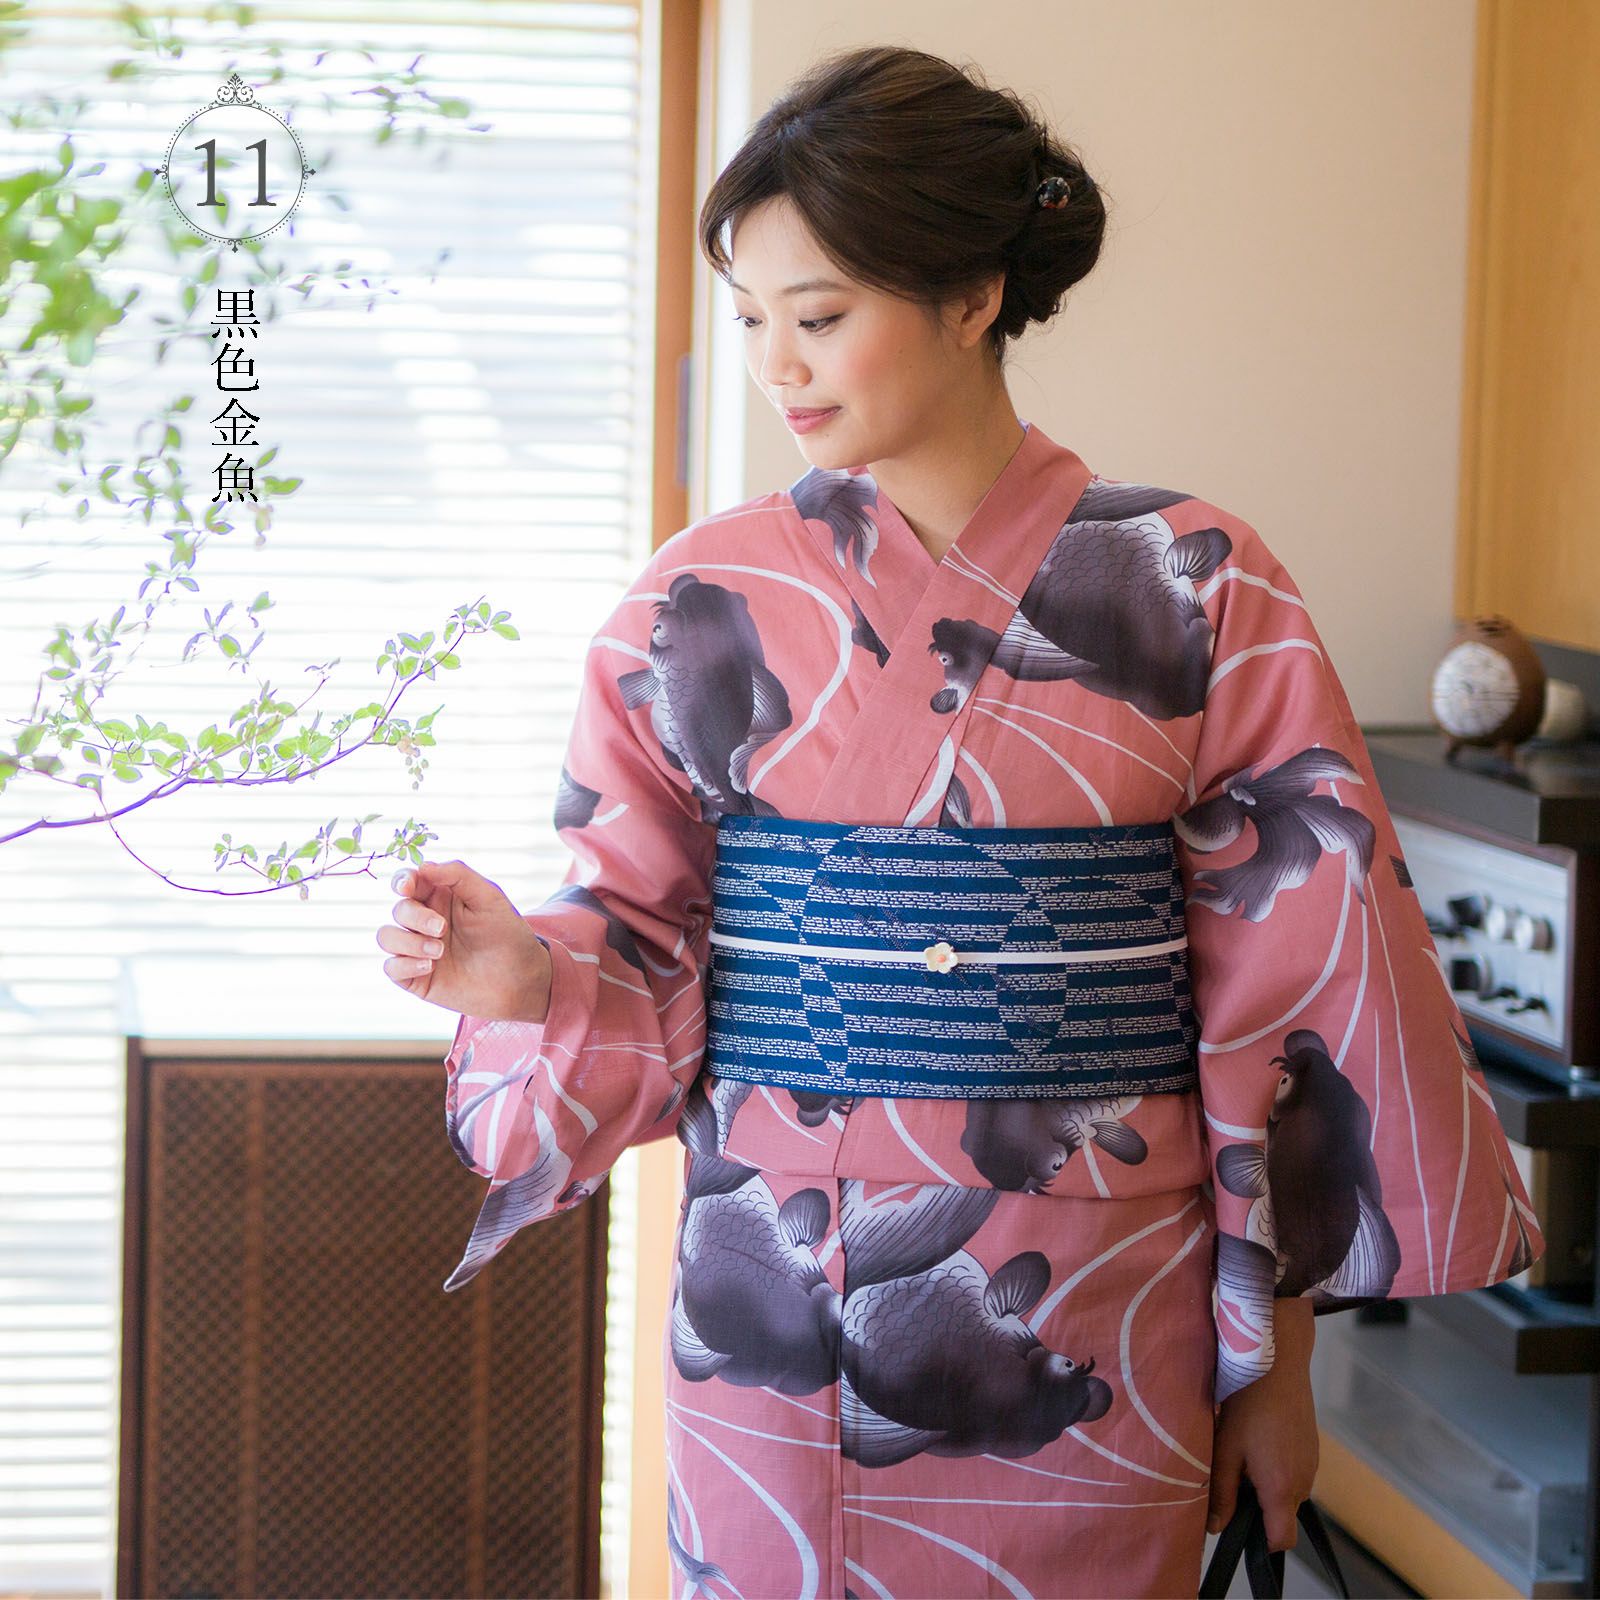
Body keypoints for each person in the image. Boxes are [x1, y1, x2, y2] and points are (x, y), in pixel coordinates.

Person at [377, 43, 1544, 1600]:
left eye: (819, 318)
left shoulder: (1199, 581)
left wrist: (1274, 1366)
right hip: (773, 1305)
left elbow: (1299, 992)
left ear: (974, 295)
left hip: (1097, 1305)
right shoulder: (701, 599)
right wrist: (527, 976)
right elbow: (640, 925)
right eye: (751, 322)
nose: (778, 367)